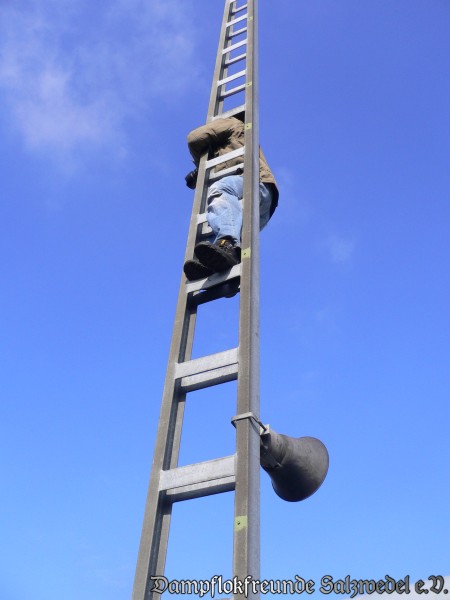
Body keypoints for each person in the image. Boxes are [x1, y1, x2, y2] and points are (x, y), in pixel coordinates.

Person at [183, 116, 279, 281]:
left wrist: (200, 166)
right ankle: (220, 268)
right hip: (264, 206)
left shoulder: (233, 123)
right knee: (221, 219)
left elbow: (195, 138)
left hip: (255, 183)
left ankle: (227, 243)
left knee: (219, 189)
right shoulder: (235, 142)